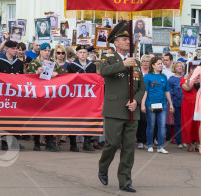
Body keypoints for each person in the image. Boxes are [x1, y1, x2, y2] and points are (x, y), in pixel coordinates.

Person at [97, 22, 144, 193]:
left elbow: (141, 87)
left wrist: (136, 101)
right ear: (115, 42)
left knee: (128, 147)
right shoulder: (108, 58)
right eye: (124, 39)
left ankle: (125, 181)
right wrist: (124, 65)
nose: (127, 42)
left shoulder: (136, 62)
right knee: (112, 143)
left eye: (129, 40)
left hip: (132, 110)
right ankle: (103, 167)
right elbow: (103, 72)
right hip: (114, 109)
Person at [67, 44, 97, 152]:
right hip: (75, 97)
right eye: (80, 52)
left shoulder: (92, 66)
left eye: (84, 52)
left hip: (88, 97)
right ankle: (73, 143)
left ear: (87, 53)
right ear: (77, 54)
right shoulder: (71, 66)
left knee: (88, 118)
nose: (83, 54)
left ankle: (87, 142)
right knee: (73, 119)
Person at [141, 57, 173, 154]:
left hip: (163, 105)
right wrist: (142, 104)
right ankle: (150, 144)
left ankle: (160, 146)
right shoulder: (147, 77)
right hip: (150, 104)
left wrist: (171, 104)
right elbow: (145, 92)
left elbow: (167, 91)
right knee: (151, 125)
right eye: (159, 63)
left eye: (161, 64)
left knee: (162, 126)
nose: (161, 65)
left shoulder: (164, 77)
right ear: (153, 65)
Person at [168, 61, 184, 148]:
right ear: (174, 68)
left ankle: (186, 140)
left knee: (185, 122)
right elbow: (170, 93)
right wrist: (171, 105)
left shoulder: (186, 77)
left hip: (185, 103)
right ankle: (179, 141)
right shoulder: (171, 79)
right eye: (178, 66)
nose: (179, 68)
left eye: (181, 66)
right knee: (178, 122)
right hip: (176, 103)